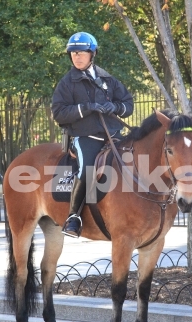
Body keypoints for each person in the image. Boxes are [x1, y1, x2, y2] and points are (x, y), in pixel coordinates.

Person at [51, 31, 134, 238]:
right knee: (88, 168)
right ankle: (73, 217)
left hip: (113, 135)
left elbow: (128, 104)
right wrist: (86, 107)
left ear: (92, 53)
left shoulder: (108, 79)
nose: (77, 57)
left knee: (136, 160)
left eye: (81, 52)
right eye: (73, 53)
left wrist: (113, 107)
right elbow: (58, 113)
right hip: (84, 137)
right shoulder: (67, 83)